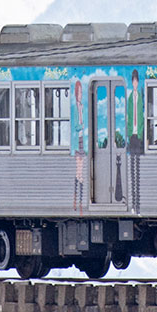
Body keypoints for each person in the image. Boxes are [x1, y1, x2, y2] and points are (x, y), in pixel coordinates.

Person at [125, 70, 145, 214]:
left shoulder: (140, 97)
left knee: (137, 171)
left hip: (139, 135)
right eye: (134, 81)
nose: (135, 83)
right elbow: (129, 116)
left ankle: (138, 205)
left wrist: (142, 132)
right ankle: (133, 204)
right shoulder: (131, 97)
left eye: (137, 81)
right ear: (132, 82)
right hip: (132, 135)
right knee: (133, 171)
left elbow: (143, 115)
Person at [70, 78, 87, 214]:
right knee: (78, 172)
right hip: (77, 141)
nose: (80, 94)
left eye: (81, 92)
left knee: (80, 173)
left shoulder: (81, 106)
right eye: (78, 92)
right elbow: (76, 125)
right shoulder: (75, 107)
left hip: (82, 140)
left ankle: (79, 201)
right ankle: (77, 201)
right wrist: (82, 126)